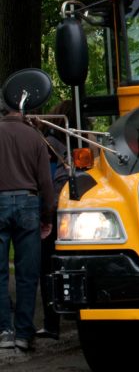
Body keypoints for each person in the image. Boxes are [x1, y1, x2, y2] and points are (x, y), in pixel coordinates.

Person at [0, 102, 55, 352]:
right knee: (27, 273)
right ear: (21, 110)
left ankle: (4, 331)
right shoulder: (34, 136)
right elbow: (45, 181)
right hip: (28, 203)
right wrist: (47, 216)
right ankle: (23, 333)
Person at [36, 100, 75, 341]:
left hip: (55, 211)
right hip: (78, 213)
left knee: (47, 268)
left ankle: (52, 323)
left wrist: (45, 214)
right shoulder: (82, 141)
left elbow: (46, 183)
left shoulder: (48, 143)